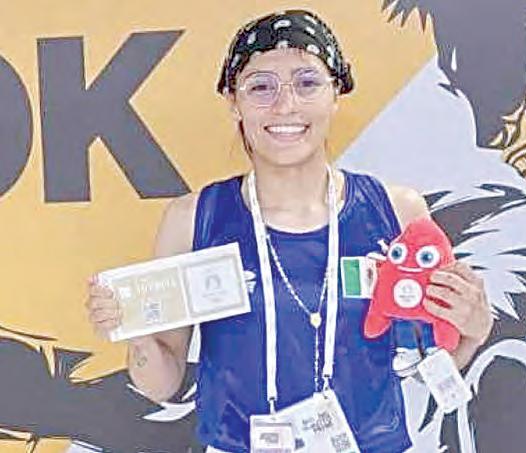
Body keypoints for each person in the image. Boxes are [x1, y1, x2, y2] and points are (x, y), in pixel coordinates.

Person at [86, 9, 493, 453]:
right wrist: (134, 325)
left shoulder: (397, 211)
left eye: (307, 82)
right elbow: (161, 385)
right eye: (261, 86)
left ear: (336, 93)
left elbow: (437, 355)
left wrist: (474, 327)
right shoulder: (193, 218)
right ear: (233, 101)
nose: (285, 106)